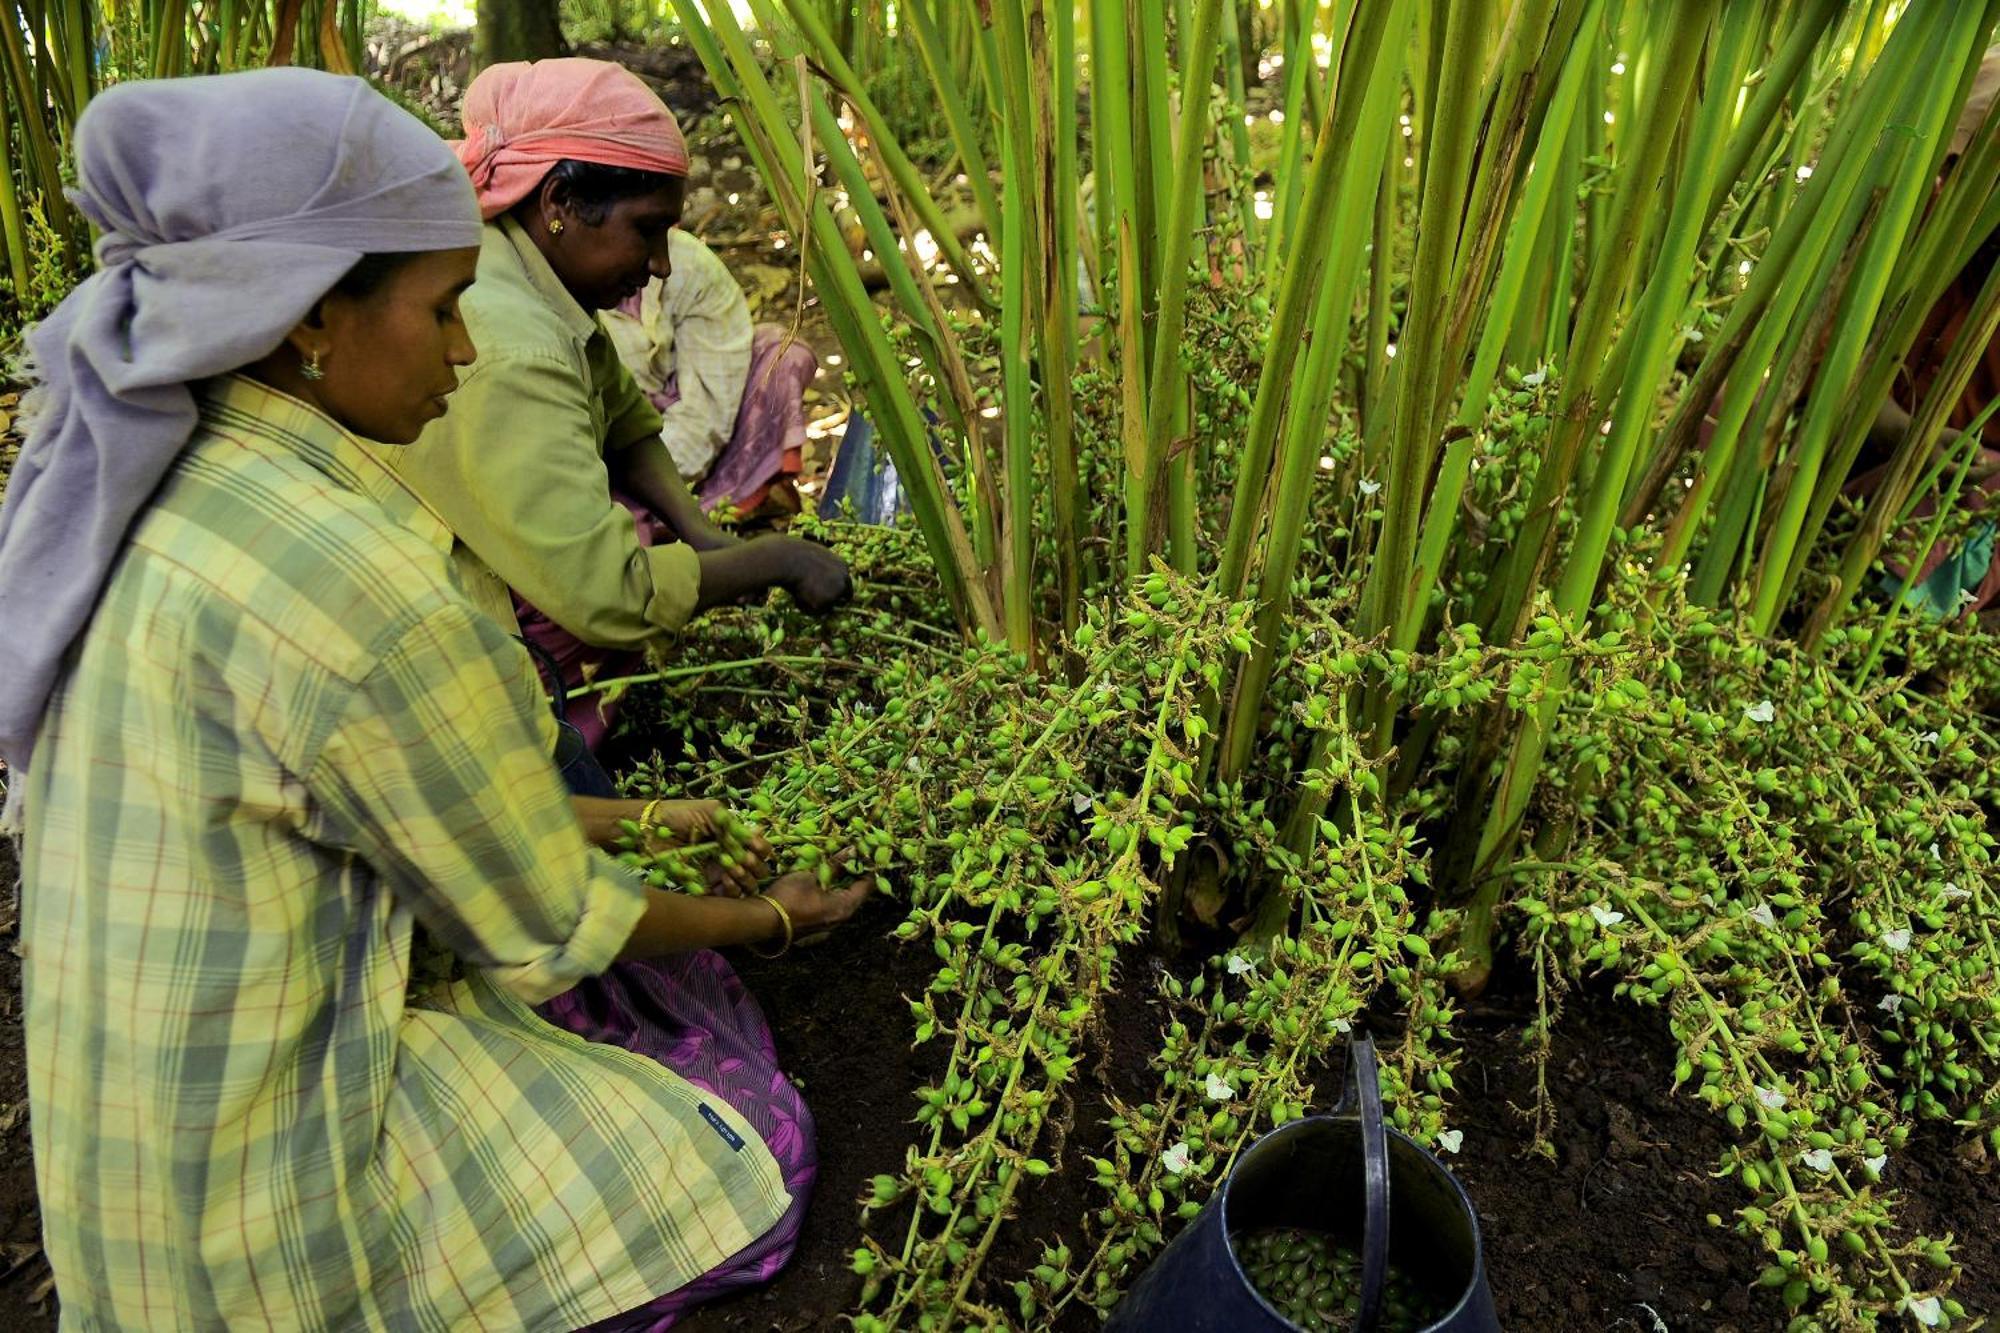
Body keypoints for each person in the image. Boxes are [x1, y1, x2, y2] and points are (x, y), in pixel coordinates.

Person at [0, 68, 867, 1329]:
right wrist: (772, 921)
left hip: (125, 1178)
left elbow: (386, 800)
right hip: (251, 1236)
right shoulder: (363, 584)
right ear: (307, 317)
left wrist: (664, 816)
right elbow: (556, 923)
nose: (465, 348)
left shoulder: (161, 472)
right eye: (442, 309)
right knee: (752, 1150)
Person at [385, 57, 849, 750]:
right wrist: (774, 561)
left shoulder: (528, 272)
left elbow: (624, 420)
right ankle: (549, 753)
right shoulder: (512, 347)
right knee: (580, 640)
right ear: (560, 206)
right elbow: (612, 596)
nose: (662, 263)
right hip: (411, 637)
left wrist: (701, 533)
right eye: (647, 230)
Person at [603, 229, 819, 519]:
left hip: (685, 445)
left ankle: (726, 493)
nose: (661, 266)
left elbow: (704, 420)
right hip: (607, 466)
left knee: (780, 352)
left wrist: (661, 481)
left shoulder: (687, 263)